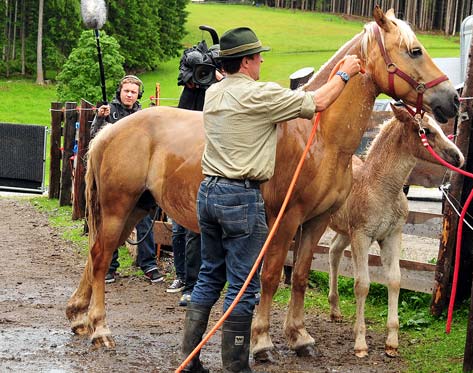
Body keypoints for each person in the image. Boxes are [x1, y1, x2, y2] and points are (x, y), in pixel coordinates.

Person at [180, 27, 361, 373]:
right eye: (258, 55)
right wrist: (345, 72)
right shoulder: (260, 95)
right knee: (244, 286)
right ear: (246, 62)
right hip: (240, 197)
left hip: (209, 194)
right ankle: (236, 366)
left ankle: (190, 360)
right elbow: (319, 102)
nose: (262, 60)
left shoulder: (214, 93)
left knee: (208, 277)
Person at [90, 75, 164, 284]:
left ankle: (148, 264)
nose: (129, 95)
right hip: (115, 177)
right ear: (120, 92)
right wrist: (99, 119)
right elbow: (95, 139)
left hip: (140, 175)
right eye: (126, 91)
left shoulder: (143, 116)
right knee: (112, 220)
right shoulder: (109, 111)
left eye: (133, 92)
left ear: (138, 94)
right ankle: (110, 265)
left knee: (145, 218)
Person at [167, 43, 223, 305]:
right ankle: (187, 280)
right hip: (182, 162)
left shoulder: (221, 90)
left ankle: (200, 282)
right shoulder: (188, 92)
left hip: (211, 162)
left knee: (201, 230)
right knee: (183, 229)